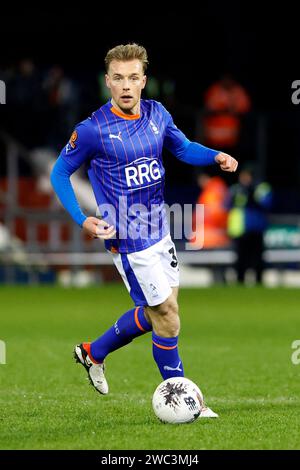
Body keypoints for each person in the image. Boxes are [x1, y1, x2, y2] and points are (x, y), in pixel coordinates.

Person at [50, 43, 238, 418]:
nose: (125, 85)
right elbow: (59, 173)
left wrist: (214, 156)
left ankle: (93, 352)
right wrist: (83, 218)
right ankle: (183, 401)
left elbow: (183, 149)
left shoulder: (157, 114)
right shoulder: (92, 130)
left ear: (144, 81)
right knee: (166, 315)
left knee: (160, 311)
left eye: (133, 78)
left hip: (159, 230)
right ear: (108, 82)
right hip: (127, 239)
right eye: (118, 78)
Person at [227, 163, 272, 284]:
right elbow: (228, 206)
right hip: (241, 229)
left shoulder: (261, 188)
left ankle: (258, 282)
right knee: (241, 258)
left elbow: (267, 203)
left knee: (257, 258)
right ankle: (240, 282)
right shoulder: (236, 189)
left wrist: (253, 194)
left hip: (256, 228)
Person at [189, 167, 230, 250]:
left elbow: (214, 213)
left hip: (211, 238)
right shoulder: (214, 189)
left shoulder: (212, 191)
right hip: (211, 236)